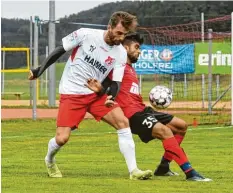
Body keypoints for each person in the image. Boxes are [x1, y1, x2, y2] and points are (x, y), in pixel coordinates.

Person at [28, 11, 152, 180]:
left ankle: (134, 171)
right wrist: (38, 71)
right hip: (72, 93)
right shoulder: (85, 34)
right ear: (109, 27)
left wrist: (109, 97)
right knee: (62, 138)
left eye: (124, 35)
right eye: (118, 33)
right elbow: (59, 50)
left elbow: (116, 83)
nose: (121, 38)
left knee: (122, 122)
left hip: (95, 95)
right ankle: (49, 159)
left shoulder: (121, 53)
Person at [85, 33, 212, 182]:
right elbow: (103, 88)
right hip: (132, 115)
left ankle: (163, 167)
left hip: (143, 110)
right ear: (125, 48)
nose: (139, 51)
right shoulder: (115, 68)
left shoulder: (131, 69)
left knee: (181, 126)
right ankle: (190, 173)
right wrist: (100, 91)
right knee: (165, 131)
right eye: (136, 47)